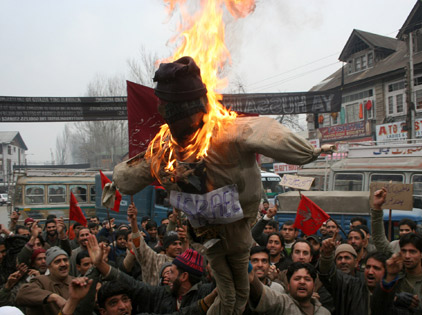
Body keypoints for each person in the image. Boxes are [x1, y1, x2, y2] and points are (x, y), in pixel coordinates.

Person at [107, 56, 332, 315]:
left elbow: (268, 133)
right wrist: (117, 182)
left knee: (238, 290)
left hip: (236, 230)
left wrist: (310, 152)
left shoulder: (227, 132)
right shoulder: (164, 148)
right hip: (207, 234)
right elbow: (133, 173)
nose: (167, 112)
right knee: (228, 291)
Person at [87, 235, 217, 314]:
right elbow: (132, 285)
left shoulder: (208, 294)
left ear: (184, 277)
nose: (167, 276)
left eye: (171, 272)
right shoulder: (161, 293)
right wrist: (100, 264)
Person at [319, 234, 388, 315]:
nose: (370, 272)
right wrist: (327, 255)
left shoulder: (392, 295)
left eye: (376, 268)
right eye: (368, 267)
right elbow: (328, 273)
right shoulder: (352, 286)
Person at [127, 203, 182, 285]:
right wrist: (134, 221)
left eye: (180, 244)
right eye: (174, 244)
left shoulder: (183, 264)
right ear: (166, 247)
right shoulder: (155, 260)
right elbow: (140, 246)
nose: (178, 247)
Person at [248, 262, 330, 314]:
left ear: (313, 286)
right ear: (288, 285)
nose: (302, 282)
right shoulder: (282, 304)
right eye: (297, 279)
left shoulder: (324, 312)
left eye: (307, 279)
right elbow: (261, 292)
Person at [371, 187, 416, 255]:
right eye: (401, 230)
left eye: (412, 251)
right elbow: (379, 238)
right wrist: (377, 207)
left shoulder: (419, 245)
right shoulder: (393, 246)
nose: (407, 256)